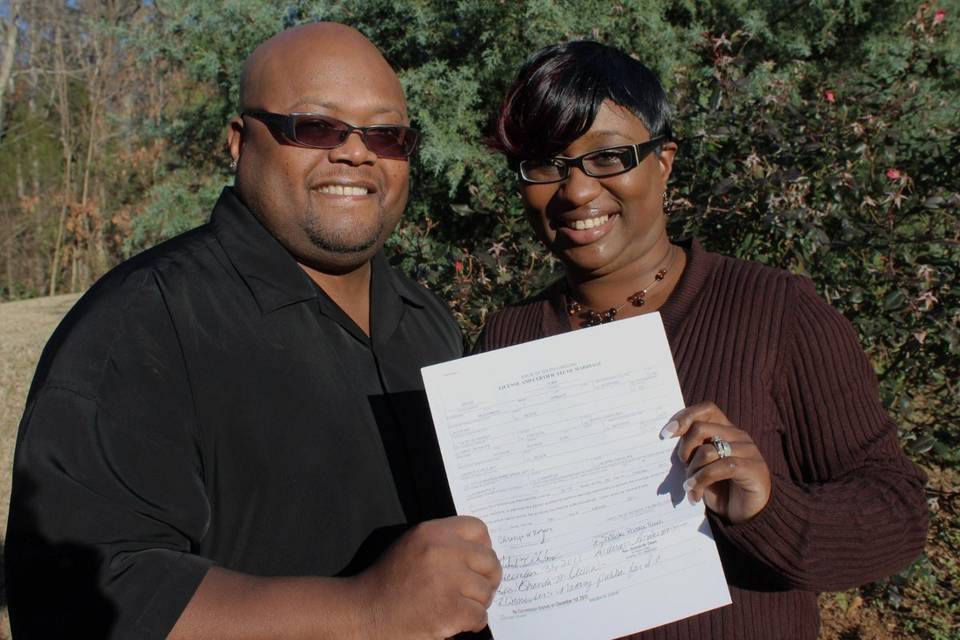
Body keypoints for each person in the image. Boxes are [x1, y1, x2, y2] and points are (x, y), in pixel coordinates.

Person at [5, 23, 501, 639]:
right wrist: (365, 611)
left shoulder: (428, 323)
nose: (357, 152)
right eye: (316, 127)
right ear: (239, 143)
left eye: (388, 135)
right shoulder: (143, 325)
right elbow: (79, 597)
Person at [478, 40, 929, 640]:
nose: (577, 191)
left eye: (609, 156)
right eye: (546, 164)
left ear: (663, 161)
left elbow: (898, 514)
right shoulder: (501, 342)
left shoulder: (776, 310)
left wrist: (770, 509)